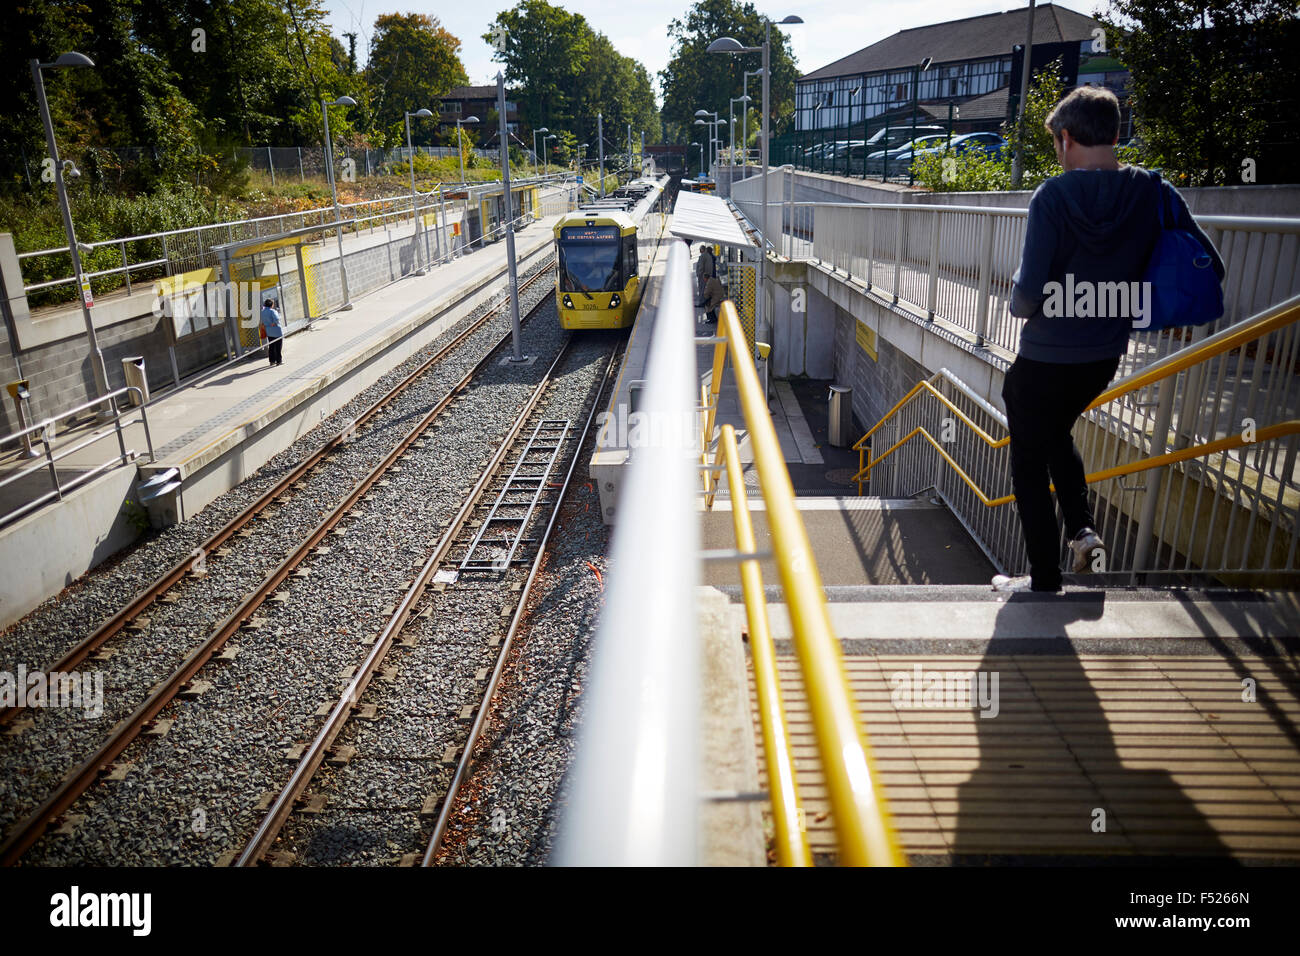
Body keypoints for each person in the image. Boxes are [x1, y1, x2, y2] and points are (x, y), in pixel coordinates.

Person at [993, 85, 1223, 593]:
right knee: (1056, 433)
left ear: (1067, 137)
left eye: (1057, 141)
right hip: (1102, 357)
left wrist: (1018, 305)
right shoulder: (1154, 190)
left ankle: (1045, 580)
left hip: (1044, 358)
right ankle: (1082, 530)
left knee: (1029, 461)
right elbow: (1211, 262)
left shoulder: (1052, 196)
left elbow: (1029, 291)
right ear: (1117, 134)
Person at [260, 298, 285, 367]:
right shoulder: (272, 311)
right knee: (278, 346)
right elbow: (276, 319)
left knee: (271, 346)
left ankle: (272, 361)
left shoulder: (262, 312)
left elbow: (262, 321)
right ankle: (279, 361)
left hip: (268, 331)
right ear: (272, 305)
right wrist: (273, 323)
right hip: (276, 331)